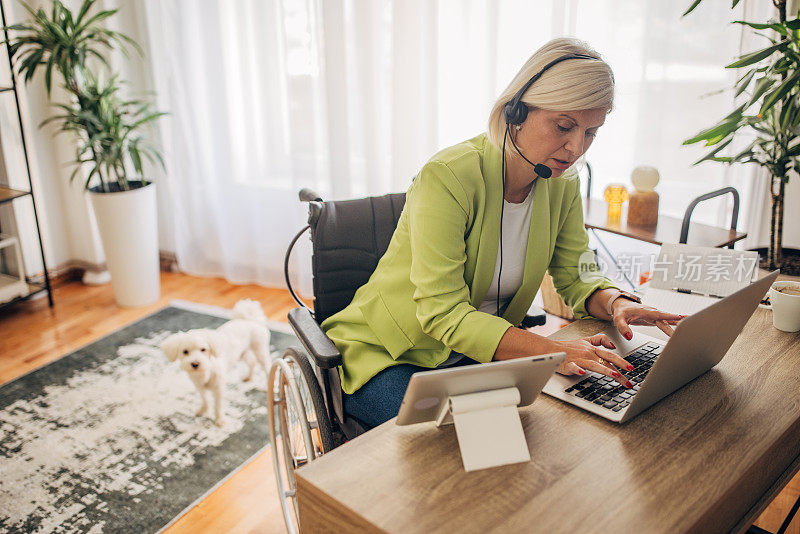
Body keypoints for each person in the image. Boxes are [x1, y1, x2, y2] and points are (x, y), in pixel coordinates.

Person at [321, 37, 684, 429]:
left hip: (480, 357)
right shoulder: (448, 176)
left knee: (549, 429)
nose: (577, 147)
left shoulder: (561, 185)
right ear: (517, 111)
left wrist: (616, 302)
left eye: (591, 132)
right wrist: (550, 352)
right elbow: (442, 315)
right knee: (473, 440)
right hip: (391, 356)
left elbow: (577, 274)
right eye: (564, 126)